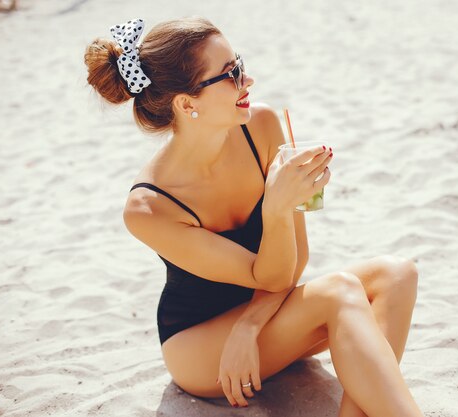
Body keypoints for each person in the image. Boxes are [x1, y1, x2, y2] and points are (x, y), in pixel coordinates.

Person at [84, 16, 423, 417]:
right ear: (187, 103)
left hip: (266, 319)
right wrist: (276, 208)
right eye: (231, 74)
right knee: (339, 292)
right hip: (202, 347)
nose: (249, 80)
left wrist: (250, 326)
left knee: (398, 275)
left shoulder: (260, 125)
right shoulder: (148, 208)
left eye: (239, 64)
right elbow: (273, 275)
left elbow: (296, 261)